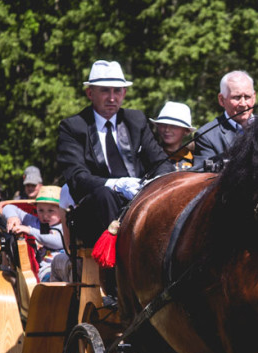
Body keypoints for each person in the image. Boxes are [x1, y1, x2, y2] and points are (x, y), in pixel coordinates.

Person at [56, 60, 173, 245]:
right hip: (94, 209)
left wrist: (151, 185)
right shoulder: (73, 127)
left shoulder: (136, 120)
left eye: (117, 91)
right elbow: (77, 178)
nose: (112, 98)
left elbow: (161, 162)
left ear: (124, 93)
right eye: (105, 90)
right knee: (105, 196)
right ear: (89, 93)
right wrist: (117, 185)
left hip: (138, 200)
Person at [1, 185, 70, 282]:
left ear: (62, 211)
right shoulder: (35, 222)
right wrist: (12, 217)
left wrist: (30, 230)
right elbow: (8, 207)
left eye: (51, 211)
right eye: (40, 210)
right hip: (47, 271)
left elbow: (58, 242)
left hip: (67, 268)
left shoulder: (65, 225)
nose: (45, 215)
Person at [193, 70, 256, 167]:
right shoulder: (206, 136)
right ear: (221, 100)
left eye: (247, 97)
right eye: (236, 97)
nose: (243, 104)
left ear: (254, 97)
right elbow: (203, 178)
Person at [150, 101, 195, 171]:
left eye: (174, 126)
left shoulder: (194, 158)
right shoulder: (150, 155)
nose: (167, 129)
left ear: (186, 131)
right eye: (163, 125)